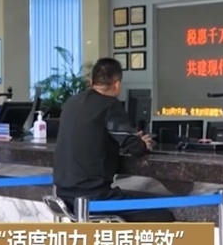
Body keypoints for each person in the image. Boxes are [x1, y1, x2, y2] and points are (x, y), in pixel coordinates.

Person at [53, 57, 175, 222]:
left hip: (64, 196)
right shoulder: (110, 105)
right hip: (93, 198)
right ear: (117, 85)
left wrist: (128, 138)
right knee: (162, 215)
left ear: (91, 81)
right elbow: (136, 148)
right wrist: (142, 142)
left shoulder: (71, 103)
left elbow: (97, 134)